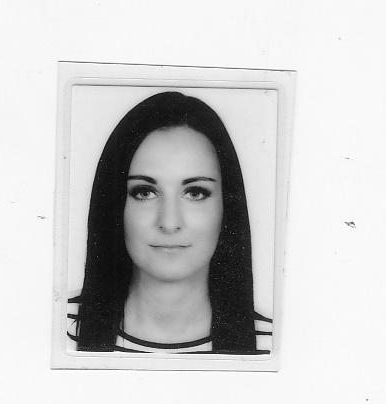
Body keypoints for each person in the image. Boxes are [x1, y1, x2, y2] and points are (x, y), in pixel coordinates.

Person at [67, 91, 272, 354]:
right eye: (144, 192)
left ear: (227, 205)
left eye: (195, 193)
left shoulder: (277, 350)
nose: (169, 222)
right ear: (114, 205)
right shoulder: (52, 335)